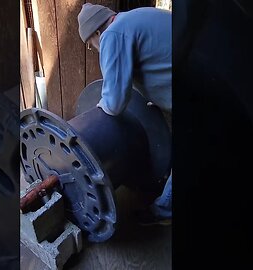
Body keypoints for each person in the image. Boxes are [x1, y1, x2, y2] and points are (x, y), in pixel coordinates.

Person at [77, 3, 172, 226]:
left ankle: (163, 211)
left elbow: (114, 102)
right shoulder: (133, 19)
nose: (94, 48)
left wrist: (99, 112)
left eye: (91, 45)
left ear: (96, 33)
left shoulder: (113, 34)